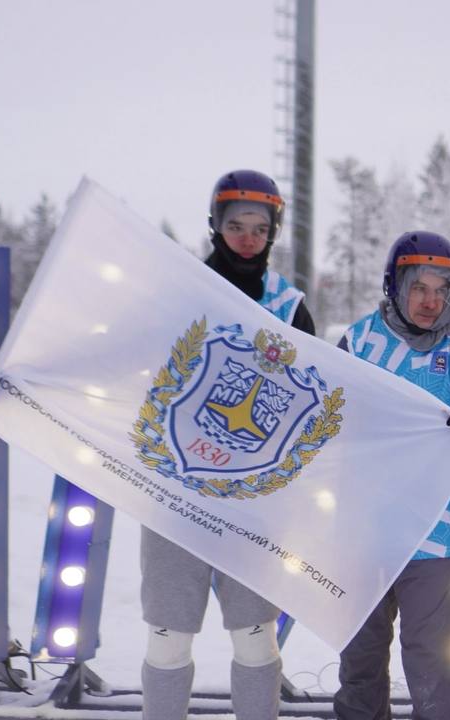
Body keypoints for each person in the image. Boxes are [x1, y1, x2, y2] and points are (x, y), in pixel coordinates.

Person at [141, 169, 315, 720]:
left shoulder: (290, 306)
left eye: (258, 227)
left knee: (256, 640)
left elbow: (320, 397)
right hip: (176, 492)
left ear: (272, 232)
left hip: (252, 502)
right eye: (235, 225)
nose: (246, 237)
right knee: (167, 641)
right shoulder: (181, 288)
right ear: (216, 226)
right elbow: (124, 363)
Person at [333, 231, 450, 720]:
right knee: (360, 659)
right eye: (420, 288)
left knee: (431, 666)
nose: (432, 301)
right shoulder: (360, 340)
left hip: (433, 534)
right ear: (395, 286)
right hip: (364, 531)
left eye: (443, 290)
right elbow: (329, 419)